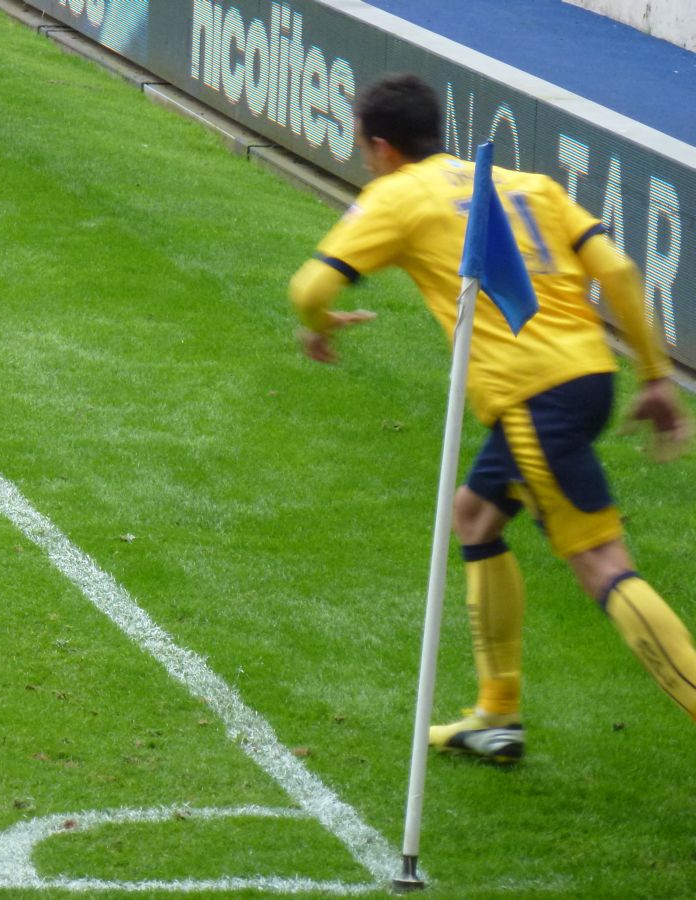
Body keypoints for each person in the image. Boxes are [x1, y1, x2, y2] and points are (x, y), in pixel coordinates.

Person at [287, 72, 695, 762]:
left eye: (363, 149)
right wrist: (655, 378)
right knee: (475, 514)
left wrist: (320, 322)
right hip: (586, 377)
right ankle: (496, 716)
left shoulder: (396, 195)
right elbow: (621, 275)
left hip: (535, 396)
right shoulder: (528, 185)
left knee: (600, 563)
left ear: (381, 146)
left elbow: (309, 287)